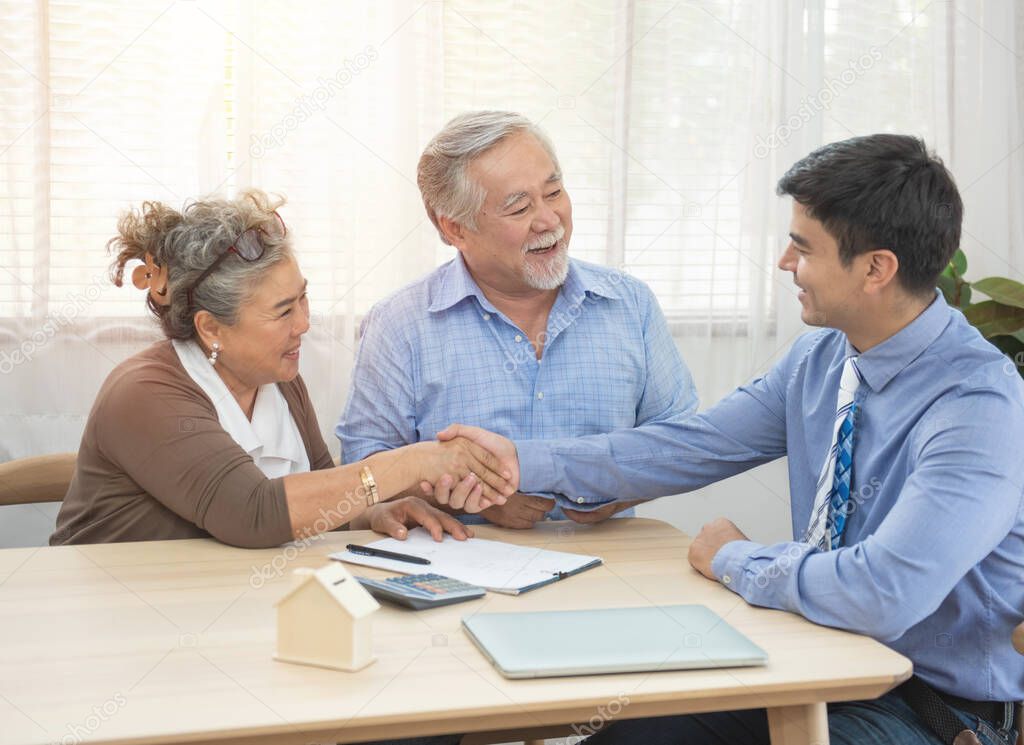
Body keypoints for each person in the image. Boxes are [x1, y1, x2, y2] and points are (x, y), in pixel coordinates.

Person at [441, 135, 1024, 745]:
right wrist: (520, 460)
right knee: (625, 737)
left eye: (803, 247)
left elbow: (884, 593)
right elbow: (693, 445)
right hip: (821, 658)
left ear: (877, 268)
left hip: (932, 710)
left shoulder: (976, 406)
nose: (783, 263)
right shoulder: (822, 358)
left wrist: (731, 557)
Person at [51, 190, 513, 549]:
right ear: (211, 327)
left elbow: (316, 494)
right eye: (283, 310)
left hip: (215, 601)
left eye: (304, 298)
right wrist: (410, 461)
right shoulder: (145, 393)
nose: (305, 324)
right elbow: (254, 513)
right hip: (112, 609)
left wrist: (371, 513)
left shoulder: (279, 382)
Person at [336, 111, 697, 528]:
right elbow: (362, 470)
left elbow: (682, 440)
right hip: (462, 568)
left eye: (555, 192)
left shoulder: (629, 304)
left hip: (608, 562)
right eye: (519, 207)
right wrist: (465, 499)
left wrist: (621, 489)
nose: (549, 220)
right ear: (455, 229)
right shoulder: (399, 324)